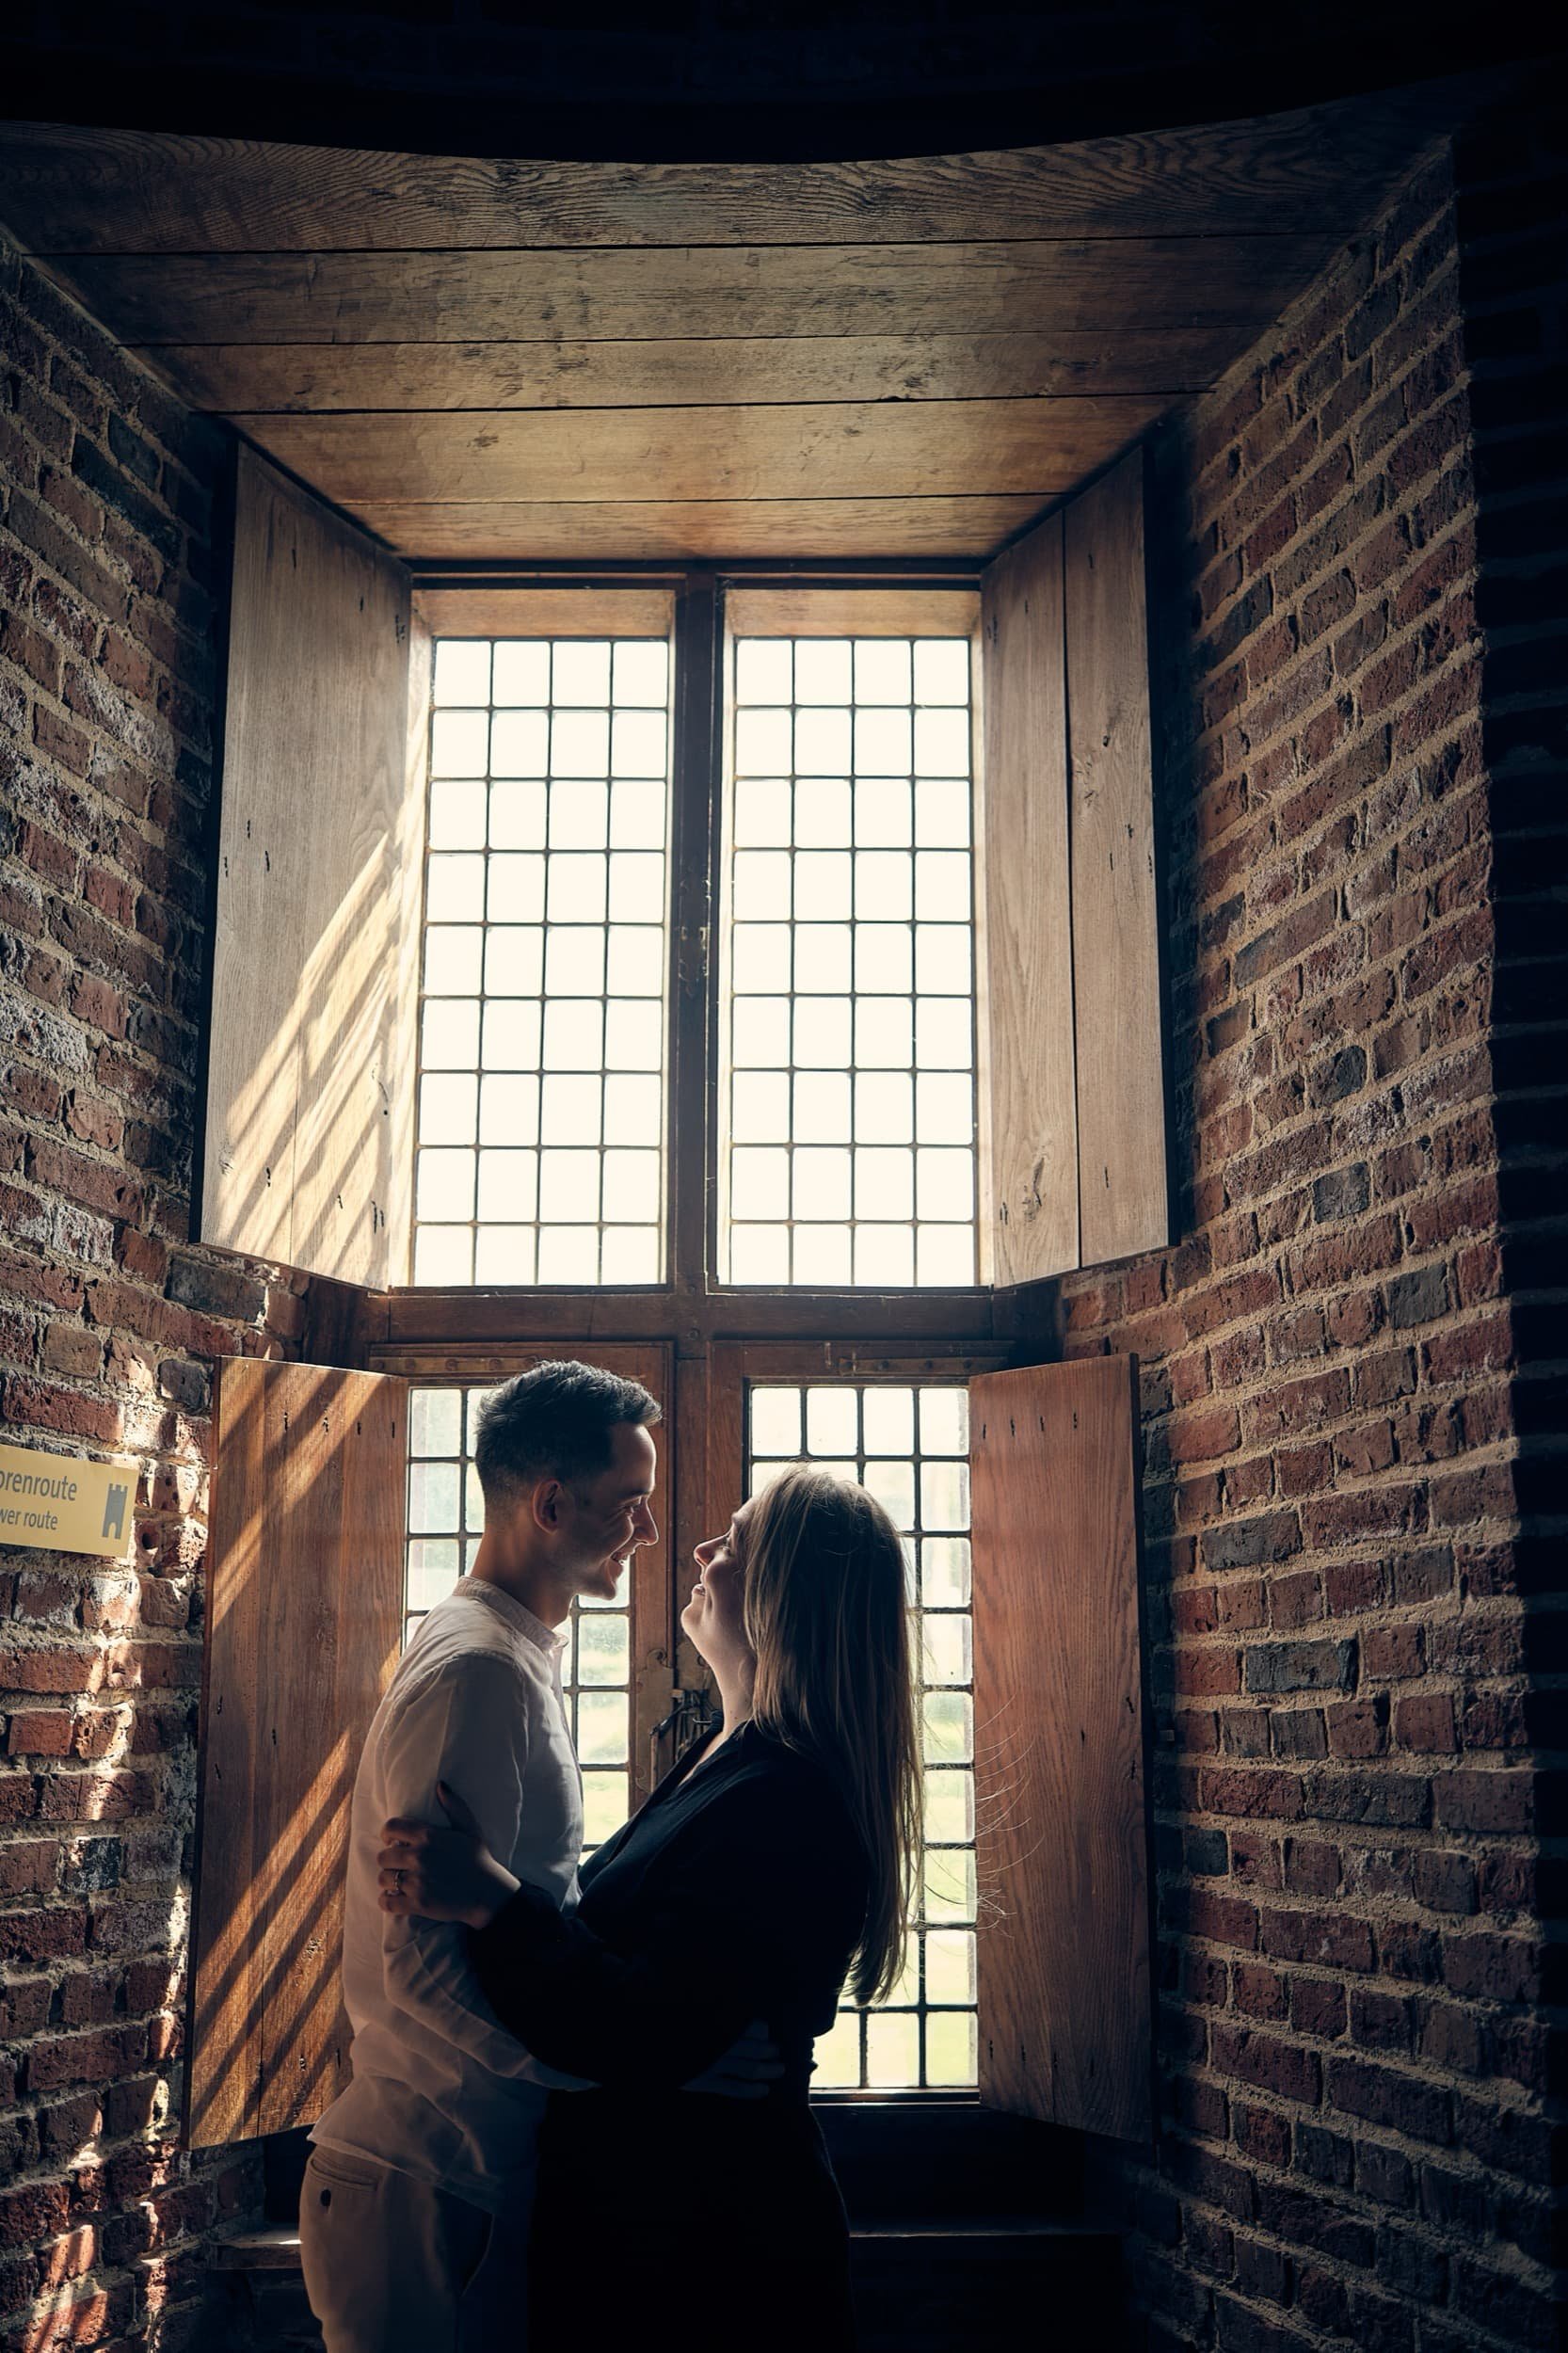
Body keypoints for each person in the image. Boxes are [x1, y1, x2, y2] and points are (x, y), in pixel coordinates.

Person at [378, 1462, 922, 2353]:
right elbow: (658, 2015)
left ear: (783, 1596)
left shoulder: (788, 1800)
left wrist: (491, 1901)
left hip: (709, 2258)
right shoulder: (727, 1756)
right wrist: (667, 2050)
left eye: (735, 1542)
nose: (702, 1549)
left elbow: (649, 2020)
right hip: (658, 2232)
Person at [299, 1360, 664, 2353]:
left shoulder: (508, 1650)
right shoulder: (480, 1671)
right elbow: (419, 1970)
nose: (647, 1530)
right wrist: (607, 2070)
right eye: (629, 1502)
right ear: (550, 1504)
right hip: (423, 2183)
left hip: (451, 2177)